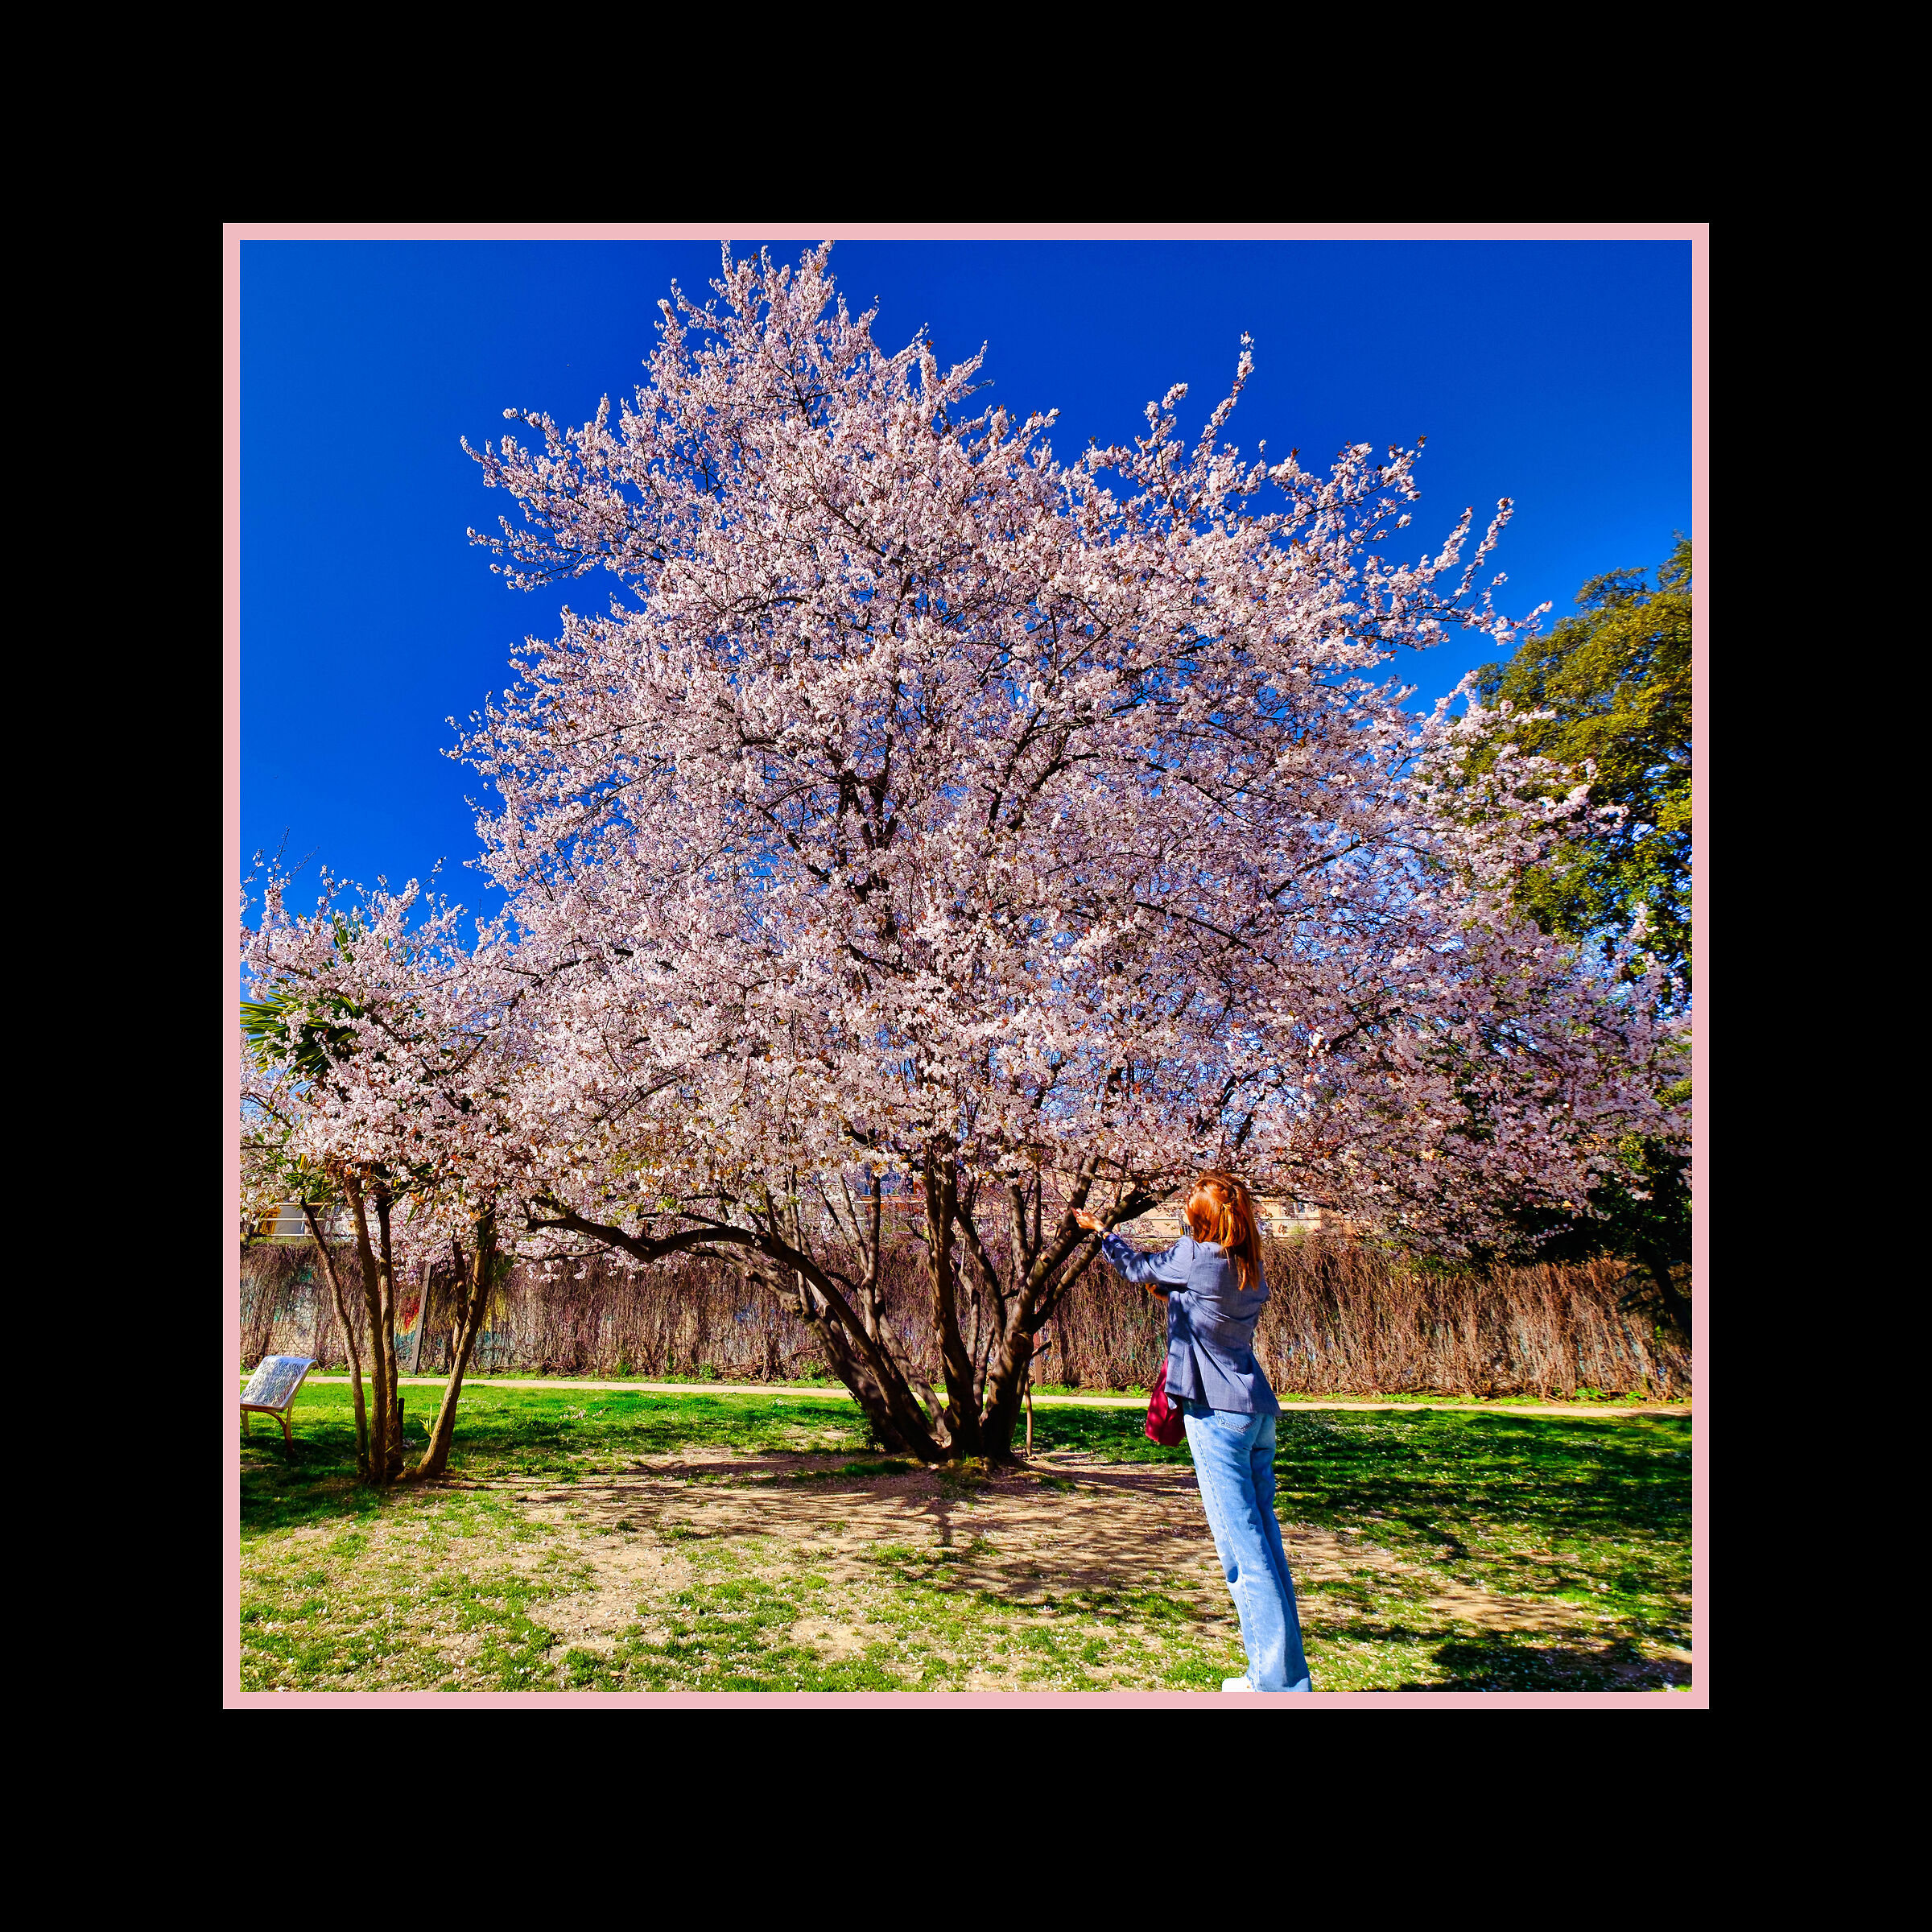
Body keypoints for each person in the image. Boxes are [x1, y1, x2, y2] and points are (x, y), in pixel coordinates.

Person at [1074, 1174, 1311, 1694]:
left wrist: (1101, 1231)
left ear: (1201, 1221)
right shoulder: (1246, 1263)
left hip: (1217, 1417)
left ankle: (1273, 1686)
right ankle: (1284, 1677)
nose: (1183, 1211)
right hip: (1255, 1413)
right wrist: (1173, 1293)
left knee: (1242, 1556)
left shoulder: (1196, 1256)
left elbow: (1138, 1268)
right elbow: (1201, 1307)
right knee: (1266, 1548)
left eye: (1189, 1208)